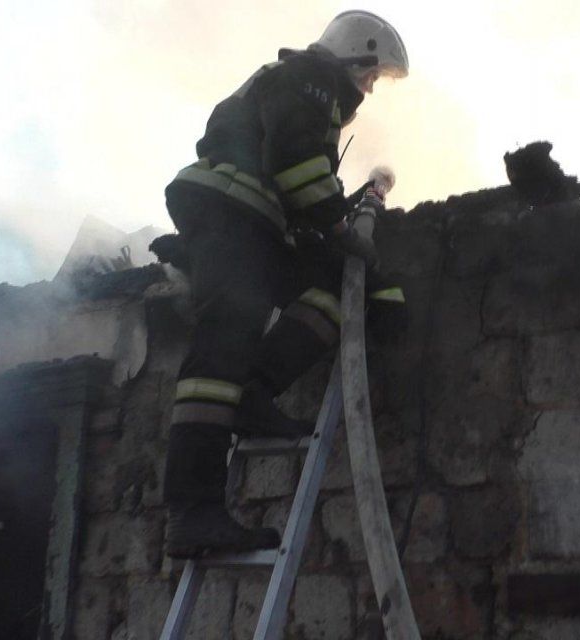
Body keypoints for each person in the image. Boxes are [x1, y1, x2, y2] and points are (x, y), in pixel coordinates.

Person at [160, 11, 408, 558]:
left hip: (254, 221)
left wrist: (374, 284)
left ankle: (254, 394)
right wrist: (342, 228)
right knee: (221, 348)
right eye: (371, 75)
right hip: (232, 210)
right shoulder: (309, 81)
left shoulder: (306, 92)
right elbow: (294, 163)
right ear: (354, 56)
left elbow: (302, 182)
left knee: (328, 290)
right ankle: (192, 511)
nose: (370, 87)